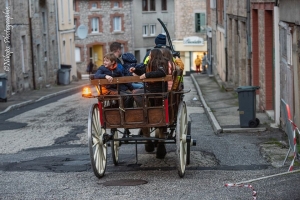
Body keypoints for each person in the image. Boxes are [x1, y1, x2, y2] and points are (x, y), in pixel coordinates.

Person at [129, 48, 169, 159]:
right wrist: (135, 70)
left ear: (153, 55)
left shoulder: (162, 63)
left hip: (158, 91)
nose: (149, 56)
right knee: (137, 92)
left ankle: (143, 109)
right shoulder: (151, 63)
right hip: (151, 91)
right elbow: (143, 72)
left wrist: (147, 76)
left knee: (136, 92)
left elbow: (161, 73)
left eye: (150, 54)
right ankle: (144, 109)